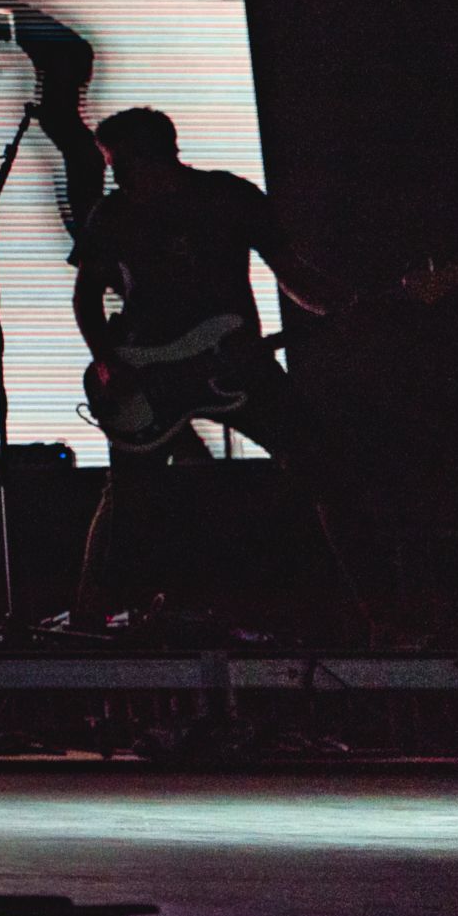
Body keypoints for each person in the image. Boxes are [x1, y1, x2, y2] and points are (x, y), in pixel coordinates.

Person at [68, 106, 367, 628]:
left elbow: (290, 271)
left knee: (324, 468)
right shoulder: (111, 215)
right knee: (127, 496)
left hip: (236, 364)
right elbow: (86, 298)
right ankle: (87, 619)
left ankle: (377, 614)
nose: (114, 178)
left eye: (119, 165)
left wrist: (342, 306)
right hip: (148, 376)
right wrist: (108, 362)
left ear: (150, 156)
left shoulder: (229, 196)